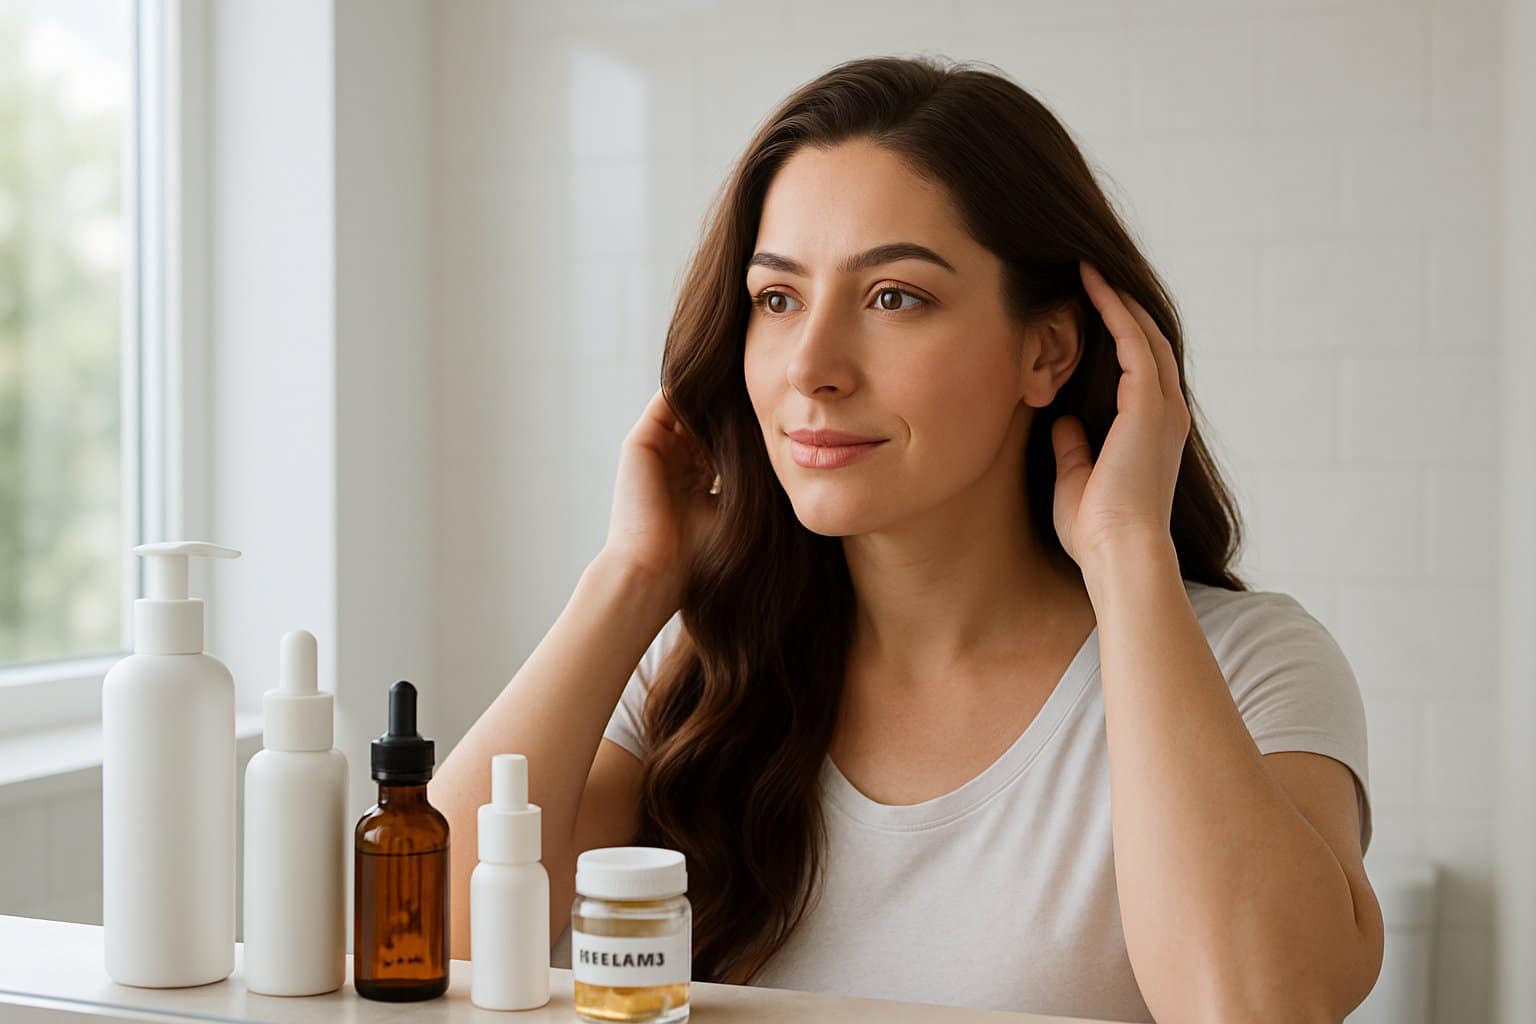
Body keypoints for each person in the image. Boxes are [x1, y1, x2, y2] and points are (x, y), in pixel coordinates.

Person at [431, 55, 1384, 1022]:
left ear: (1046, 350)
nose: (812, 366)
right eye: (777, 298)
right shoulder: (697, 678)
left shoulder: (1248, 667)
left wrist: (1129, 555)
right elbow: (411, 942)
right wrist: (629, 578)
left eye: (894, 297)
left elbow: (1260, 1007)